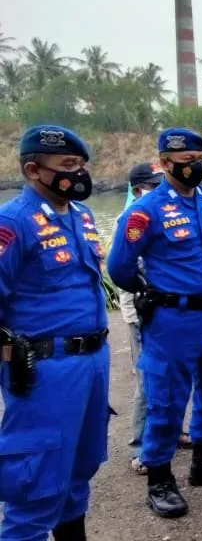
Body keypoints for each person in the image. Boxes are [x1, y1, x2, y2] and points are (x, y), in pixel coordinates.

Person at [108, 127, 202, 519]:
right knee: (166, 398)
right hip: (173, 317)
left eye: (200, 160)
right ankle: (159, 479)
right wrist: (150, 291)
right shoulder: (146, 210)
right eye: (188, 161)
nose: (196, 167)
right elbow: (119, 267)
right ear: (165, 164)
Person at [0, 125, 110, 541]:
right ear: (33, 170)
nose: (78, 173)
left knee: (81, 468)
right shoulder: (12, 223)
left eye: (81, 164)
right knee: (35, 481)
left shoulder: (82, 216)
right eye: (67, 165)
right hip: (44, 368)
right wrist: (10, 357)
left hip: (92, 361)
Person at [116, 162, 193, 476]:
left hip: (170, 309)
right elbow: (124, 268)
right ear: (138, 190)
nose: (162, 189)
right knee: (149, 380)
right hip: (142, 311)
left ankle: (173, 432)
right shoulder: (131, 220)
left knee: (176, 373)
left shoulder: (167, 214)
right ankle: (140, 447)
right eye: (154, 184)